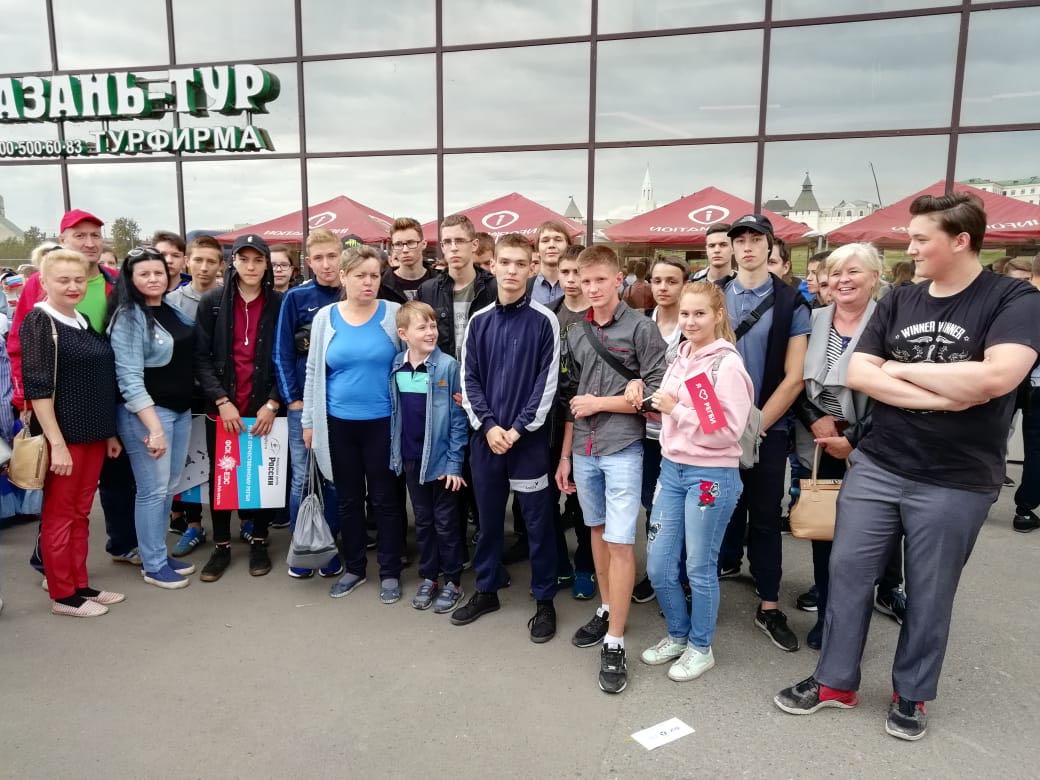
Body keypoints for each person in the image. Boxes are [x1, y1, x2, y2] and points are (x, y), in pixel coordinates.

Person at [774, 193, 1040, 741]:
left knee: (929, 591)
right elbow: (859, 373)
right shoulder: (901, 300)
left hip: (956, 478)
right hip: (879, 463)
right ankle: (834, 682)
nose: (910, 247)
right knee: (847, 575)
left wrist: (899, 371)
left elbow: (997, 379)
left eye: (921, 239)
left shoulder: (1012, 298)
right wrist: (948, 393)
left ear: (960, 240)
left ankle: (911, 694)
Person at [557, 244, 667, 694]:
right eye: (585, 281)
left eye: (600, 279)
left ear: (618, 280)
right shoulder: (575, 331)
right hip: (584, 448)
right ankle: (607, 607)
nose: (592, 288)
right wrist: (564, 456)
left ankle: (616, 640)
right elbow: (571, 397)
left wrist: (605, 402)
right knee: (597, 533)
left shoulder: (641, 328)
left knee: (621, 541)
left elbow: (659, 395)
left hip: (622, 447)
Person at [630, 281, 753, 681]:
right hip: (672, 469)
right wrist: (650, 403)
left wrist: (674, 410)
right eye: (685, 313)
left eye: (700, 313)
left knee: (699, 567)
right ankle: (678, 635)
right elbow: (677, 410)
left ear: (718, 315)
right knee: (660, 566)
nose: (690, 321)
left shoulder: (724, 365)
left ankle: (701, 647)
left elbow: (725, 431)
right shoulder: (681, 355)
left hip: (710, 476)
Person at [8, 211, 139, 569]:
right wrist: (24, 399)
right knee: (61, 500)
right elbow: (21, 346)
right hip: (59, 409)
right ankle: (51, 566)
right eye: (80, 235)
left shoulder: (115, 281)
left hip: (103, 404)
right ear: (63, 239)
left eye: (95, 235)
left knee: (110, 485)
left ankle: (119, 546)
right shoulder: (40, 291)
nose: (89, 242)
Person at [790, 243, 904, 649]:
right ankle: (827, 616)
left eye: (853, 272)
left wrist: (853, 438)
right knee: (825, 536)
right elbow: (794, 380)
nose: (843, 280)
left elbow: (898, 391)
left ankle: (855, 618)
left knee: (864, 542)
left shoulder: (890, 322)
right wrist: (815, 419)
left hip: (874, 445)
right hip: (819, 443)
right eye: (836, 273)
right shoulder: (813, 319)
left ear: (875, 277)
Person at [452, 232, 559, 643]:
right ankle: (487, 589)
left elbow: (546, 384)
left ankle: (544, 599)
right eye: (505, 262)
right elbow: (469, 379)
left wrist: (516, 429)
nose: (512, 270)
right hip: (487, 439)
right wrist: (489, 426)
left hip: (526, 441)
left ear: (532, 268)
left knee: (538, 522)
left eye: (520, 263)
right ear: (492, 265)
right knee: (489, 519)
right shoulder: (478, 321)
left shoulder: (545, 321)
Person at [717, 214, 810, 653]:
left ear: (770, 246)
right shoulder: (715, 295)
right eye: (740, 240)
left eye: (756, 239)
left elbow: (794, 377)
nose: (747, 247)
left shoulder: (791, 302)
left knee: (766, 516)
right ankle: (708, 582)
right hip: (715, 428)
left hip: (767, 428)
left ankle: (769, 604)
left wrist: (753, 427)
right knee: (714, 508)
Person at [21, 249, 124, 617]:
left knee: (80, 513)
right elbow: (38, 390)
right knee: (60, 515)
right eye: (63, 280)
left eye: (78, 279)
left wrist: (108, 433)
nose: (72, 286)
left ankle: (80, 584)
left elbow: (96, 380)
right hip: (65, 438)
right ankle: (63, 594)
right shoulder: (39, 321)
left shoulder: (80, 319)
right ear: (44, 282)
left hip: (93, 433)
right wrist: (57, 444)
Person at [303, 245, 406, 603]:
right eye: (360, 275)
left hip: (383, 423)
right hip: (338, 424)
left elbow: (412, 360)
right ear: (343, 277)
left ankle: (390, 571)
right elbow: (314, 370)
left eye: (374, 275)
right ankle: (355, 568)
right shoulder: (326, 317)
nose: (368, 282)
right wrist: (309, 421)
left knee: (385, 499)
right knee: (347, 499)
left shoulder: (393, 314)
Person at [194, 234, 285, 583]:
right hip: (224, 407)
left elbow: (286, 358)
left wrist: (273, 402)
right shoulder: (213, 302)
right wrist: (221, 400)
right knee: (223, 476)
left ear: (266, 265)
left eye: (258, 260)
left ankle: (259, 540)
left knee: (263, 476)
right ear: (233, 262)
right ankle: (221, 546)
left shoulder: (279, 303)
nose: (251, 266)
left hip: (264, 405)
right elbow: (200, 358)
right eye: (244, 259)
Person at [107, 246, 198, 589]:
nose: (153, 278)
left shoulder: (171, 308)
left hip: (179, 410)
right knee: (152, 491)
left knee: (168, 488)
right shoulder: (128, 317)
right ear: (130, 279)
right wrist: (154, 428)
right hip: (149, 416)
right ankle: (153, 565)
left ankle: (157, 553)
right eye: (144, 274)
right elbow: (128, 378)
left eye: (158, 272)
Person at [389, 301, 468, 612]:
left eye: (433, 326)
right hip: (411, 458)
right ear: (403, 334)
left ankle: (453, 580)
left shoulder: (448, 366)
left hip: (441, 462)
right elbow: (396, 413)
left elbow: (458, 420)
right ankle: (429, 576)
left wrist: (454, 463)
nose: (430, 332)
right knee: (423, 521)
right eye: (422, 327)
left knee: (446, 522)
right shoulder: (397, 365)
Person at [274, 228, 344, 578]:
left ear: (342, 256)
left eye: (332, 256)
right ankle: (302, 549)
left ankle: (327, 547)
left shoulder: (354, 291)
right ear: (308, 262)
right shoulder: (296, 298)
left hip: (341, 406)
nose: (326, 264)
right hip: (304, 405)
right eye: (319, 258)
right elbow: (282, 353)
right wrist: (294, 401)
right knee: (303, 478)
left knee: (335, 478)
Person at [632, 257, 687, 605]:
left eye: (672, 281)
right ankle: (656, 573)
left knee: (678, 508)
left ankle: (679, 577)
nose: (663, 287)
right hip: (645, 432)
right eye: (657, 280)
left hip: (682, 433)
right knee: (651, 503)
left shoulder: (692, 325)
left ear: (684, 285)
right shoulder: (641, 323)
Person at [166, 235, 224, 554]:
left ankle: (241, 519)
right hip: (186, 394)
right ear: (187, 261)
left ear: (220, 265)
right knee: (190, 462)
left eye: (211, 261)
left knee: (225, 459)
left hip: (221, 393)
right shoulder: (172, 301)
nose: (204, 267)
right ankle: (193, 524)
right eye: (198, 260)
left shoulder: (227, 298)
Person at [552, 244, 594, 599]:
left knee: (583, 502)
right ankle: (559, 562)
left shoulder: (597, 315)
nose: (570, 279)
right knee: (547, 497)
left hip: (588, 418)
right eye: (564, 272)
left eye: (577, 273)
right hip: (551, 418)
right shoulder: (550, 313)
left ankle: (585, 564)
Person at [1012, 252, 1040, 532]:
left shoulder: (1016, 301)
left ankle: (983, 496)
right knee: (1036, 450)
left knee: (993, 439)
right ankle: (1025, 509)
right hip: (1028, 382)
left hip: (1011, 379)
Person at [379, 217, 434, 303]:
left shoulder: (441, 282)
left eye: (411, 243)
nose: (405, 250)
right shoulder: (380, 284)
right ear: (393, 247)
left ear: (423, 244)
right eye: (398, 244)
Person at [531, 220, 569, 306]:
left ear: (568, 246)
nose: (551, 245)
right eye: (545, 241)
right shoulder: (524, 287)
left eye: (558, 240)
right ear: (537, 250)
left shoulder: (579, 286)